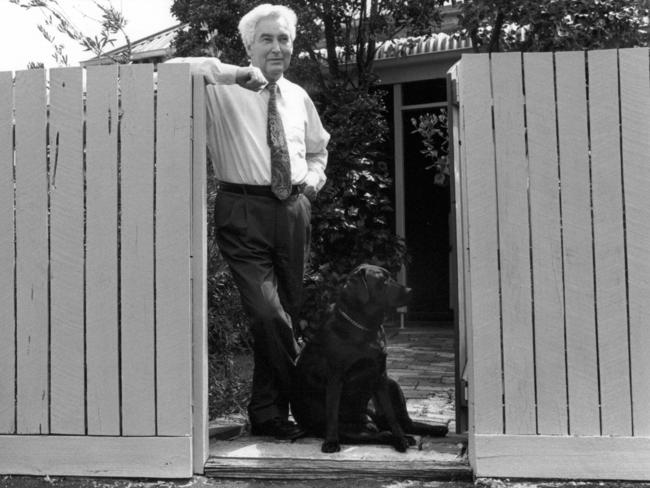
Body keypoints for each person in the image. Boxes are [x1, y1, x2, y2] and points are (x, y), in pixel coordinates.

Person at [170, 4, 330, 440]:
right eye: (267, 39)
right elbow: (170, 67)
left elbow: (318, 149)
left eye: (284, 39)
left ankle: (269, 415)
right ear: (248, 45)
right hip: (242, 208)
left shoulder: (297, 96)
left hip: (294, 209)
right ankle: (307, 396)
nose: (277, 47)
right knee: (267, 314)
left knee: (288, 314)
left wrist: (312, 183)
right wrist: (231, 74)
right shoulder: (220, 88)